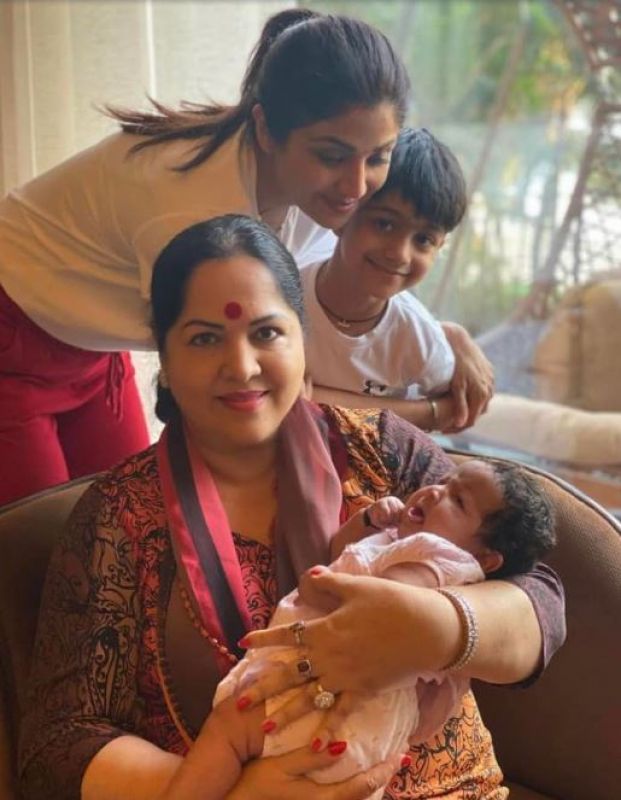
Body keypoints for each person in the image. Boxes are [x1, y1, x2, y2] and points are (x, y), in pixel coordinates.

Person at [19, 217, 564, 800]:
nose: (243, 366)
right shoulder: (118, 517)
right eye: (204, 338)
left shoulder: (383, 449)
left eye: (267, 333)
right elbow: (61, 743)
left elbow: (539, 594)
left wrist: (438, 626)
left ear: (303, 340)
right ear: (166, 361)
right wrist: (244, 789)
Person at [0, 8, 493, 507]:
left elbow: (349, 285)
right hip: (14, 328)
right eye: (332, 155)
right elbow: (269, 388)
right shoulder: (194, 214)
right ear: (265, 129)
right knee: (35, 544)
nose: (357, 186)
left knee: (119, 511)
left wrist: (445, 336)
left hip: (91, 346)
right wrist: (432, 411)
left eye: (378, 157)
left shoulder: (314, 194)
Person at [214, 459, 556, 799]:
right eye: (443, 481)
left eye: (459, 500)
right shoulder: (407, 536)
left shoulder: (433, 556)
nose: (436, 491)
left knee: (227, 733)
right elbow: (342, 551)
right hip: (369, 730)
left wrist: (316, 586)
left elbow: (378, 610)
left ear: (485, 560)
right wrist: (367, 521)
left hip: (347, 706)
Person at [303, 126, 467, 432]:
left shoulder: (420, 338)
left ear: (440, 247)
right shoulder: (285, 297)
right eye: (384, 224)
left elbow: (453, 412)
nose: (400, 254)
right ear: (342, 215)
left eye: (423, 240)